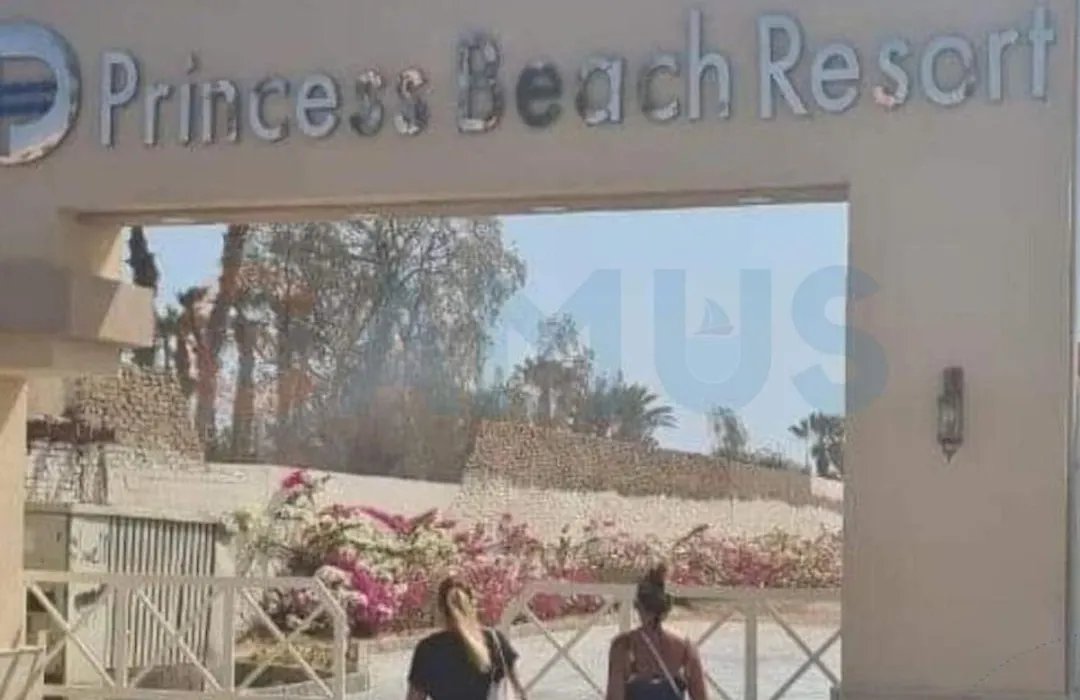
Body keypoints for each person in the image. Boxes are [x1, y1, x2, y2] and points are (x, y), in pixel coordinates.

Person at [406, 577, 527, 700]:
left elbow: (414, 698)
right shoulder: (494, 640)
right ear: (472, 604)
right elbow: (520, 692)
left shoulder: (427, 650)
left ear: (440, 609)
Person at [605, 565, 707, 700]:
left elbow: (614, 697)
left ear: (638, 606)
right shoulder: (686, 647)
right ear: (667, 608)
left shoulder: (624, 646)